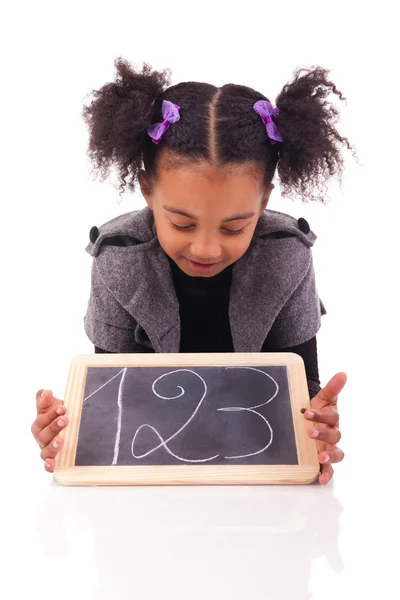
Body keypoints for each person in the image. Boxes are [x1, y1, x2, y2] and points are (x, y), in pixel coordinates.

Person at [32, 58, 355, 483]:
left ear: (263, 203)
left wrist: (314, 427)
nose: (206, 248)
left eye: (235, 226)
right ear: (147, 190)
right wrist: (71, 437)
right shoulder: (118, 258)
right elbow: (115, 399)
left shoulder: (286, 255)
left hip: (252, 470)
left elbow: (303, 388)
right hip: (153, 472)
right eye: (181, 223)